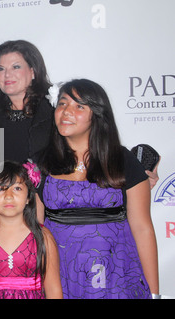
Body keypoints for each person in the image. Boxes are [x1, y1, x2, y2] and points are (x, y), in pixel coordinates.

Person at [36, 79, 159, 299]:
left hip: (117, 276)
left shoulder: (123, 160)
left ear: (98, 114)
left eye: (79, 106)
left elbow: (143, 229)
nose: (66, 112)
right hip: (60, 277)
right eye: (62, 103)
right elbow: (35, 231)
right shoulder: (41, 164)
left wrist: (155, 293)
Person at [0, 161, 62, 299]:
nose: (8, 196)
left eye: (17, 188)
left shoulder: (43, 237)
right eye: (0, 189)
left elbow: (53, 289)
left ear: (29, 197)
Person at [0, 40, 54, 164]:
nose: (7, 75)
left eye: (16, 67)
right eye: (1, 69)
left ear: (33, 72)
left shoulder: (53, 112)